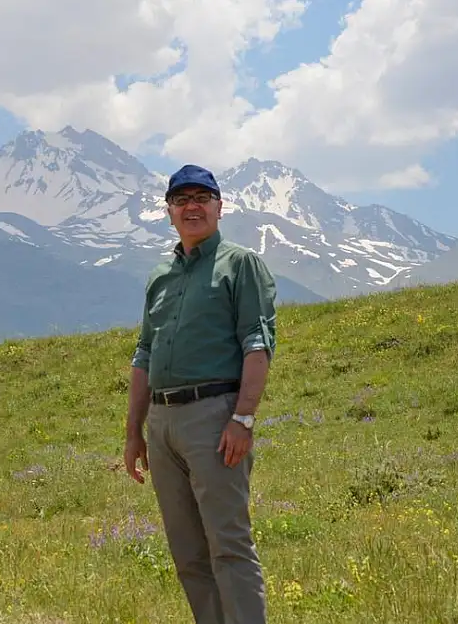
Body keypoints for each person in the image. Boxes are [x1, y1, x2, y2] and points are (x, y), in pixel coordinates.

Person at [124, 163, 277, 624]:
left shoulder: (240, 264)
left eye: (201, 198)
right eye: (181, 199)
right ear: (169, 211)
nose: (192, 207)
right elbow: (144, 353)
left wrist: (243, 418)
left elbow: (257, 341)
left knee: (228, 544)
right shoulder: (160, 277)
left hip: (215, 417)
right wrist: (134, 433)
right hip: (162, 423)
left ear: (218, 207)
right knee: (187, 551)